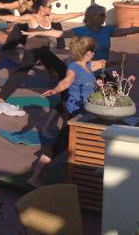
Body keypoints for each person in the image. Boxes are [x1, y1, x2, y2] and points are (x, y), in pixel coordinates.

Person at [26, 37, 106, 187]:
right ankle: (34, 177)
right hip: (75, 115)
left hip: (85, 113)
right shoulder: (74, 68)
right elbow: (66, 82)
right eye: (93, 51)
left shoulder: (88, 65)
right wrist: (55, 89)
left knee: (93, 137)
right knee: (59, 147)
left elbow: (102, 63)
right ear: (88, 53)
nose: (95, 53)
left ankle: (92, 167)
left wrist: (115, 64)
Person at [0, 0, 84, 117]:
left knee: (62, 69)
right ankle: (0, 99)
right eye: (49, 6)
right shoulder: (32, 18)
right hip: (31, 52)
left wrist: (81, 13)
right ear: (42, 7)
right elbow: (15, 18)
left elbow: (65, 16)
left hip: (44, 51)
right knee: (19, 74)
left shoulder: (50, 17)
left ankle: (64, 101)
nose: (51, 8)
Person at [0, 0, 77, 84]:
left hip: (31, 33)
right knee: (5, 52)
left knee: (44, 52)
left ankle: (52, 75)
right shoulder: (20, 3)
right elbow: (4, 6)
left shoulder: (38, 3)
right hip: (18, 32)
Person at [21, 4, 139, 63]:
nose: (105, 17)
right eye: (102, 15)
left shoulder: (108, 30)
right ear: (92, 17)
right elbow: (59, 34)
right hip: (84, 72)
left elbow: (127, 31)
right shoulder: (81, 31)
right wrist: (38, 32)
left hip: (101, 71)